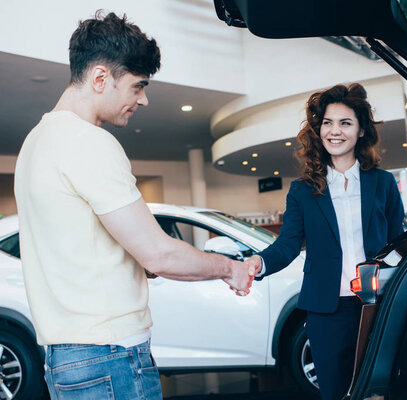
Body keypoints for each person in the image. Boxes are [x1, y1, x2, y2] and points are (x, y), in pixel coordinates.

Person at [14, 11, 255, 400]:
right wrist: (230, 267)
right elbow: (158, 254)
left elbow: (85, 246)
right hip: (109, 356)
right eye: (137, 86)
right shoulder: (87, 142)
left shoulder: (35, 143)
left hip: (65, 359)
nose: (143, 99)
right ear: (100, 79)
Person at [245, 83, 405, 400]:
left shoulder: (383, 183)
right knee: (333, 392)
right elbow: (287, 245)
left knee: (378, 391)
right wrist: (258, 263)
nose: (335, 131)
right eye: (328, 123)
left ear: (361, 131)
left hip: (374, 306)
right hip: (324, 311)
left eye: (346, 123)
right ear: (319, 130)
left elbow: (397, 245)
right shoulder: (302, 190)